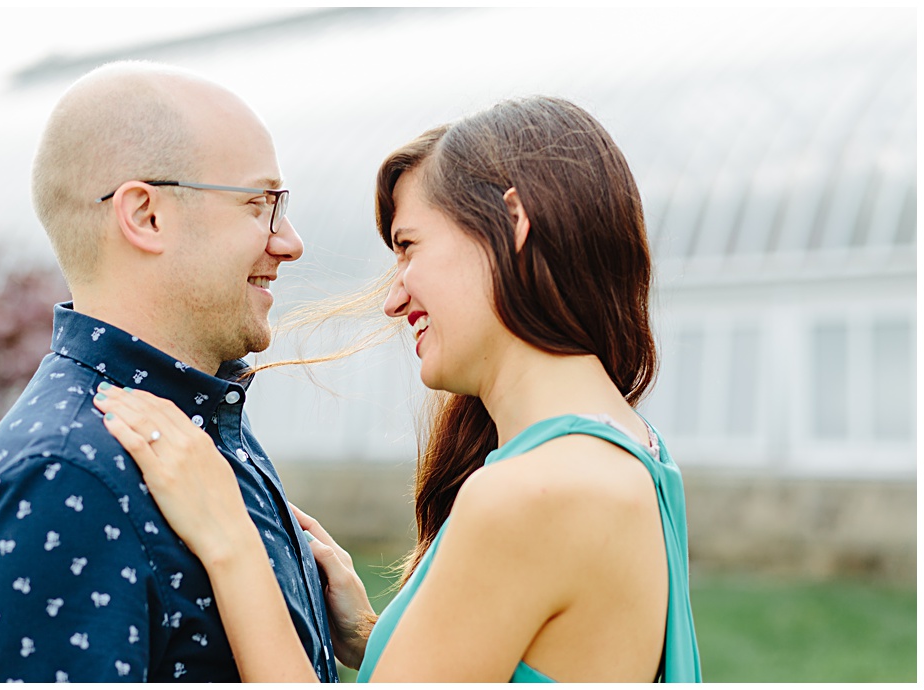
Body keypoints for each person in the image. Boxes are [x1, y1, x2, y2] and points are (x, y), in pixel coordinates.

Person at [93, 96, 701, 681]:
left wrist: (228, 538)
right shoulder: (634, 448)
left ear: (515, 223)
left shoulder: (531, 492)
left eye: (408, 247)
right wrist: (370, 633)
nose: (393, 298)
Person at [0, 61, 334, 682]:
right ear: (146, 215)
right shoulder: (64, 478)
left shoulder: (194, 420)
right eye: (260, 204)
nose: (289, 242)